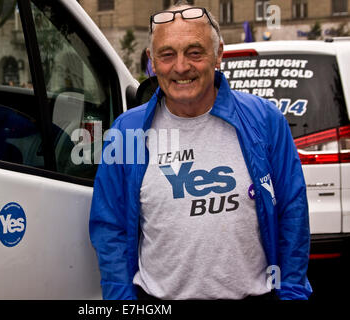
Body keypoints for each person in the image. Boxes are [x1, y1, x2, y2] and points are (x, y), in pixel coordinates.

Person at [89, 1, 312, 300]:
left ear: (218, 54)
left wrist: (293, 293)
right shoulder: (126, 131)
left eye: (195, 52)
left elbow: (292, 212)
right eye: (167, 55)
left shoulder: (265, 120)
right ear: (152, 61)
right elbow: (110, 227)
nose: (181, 67)